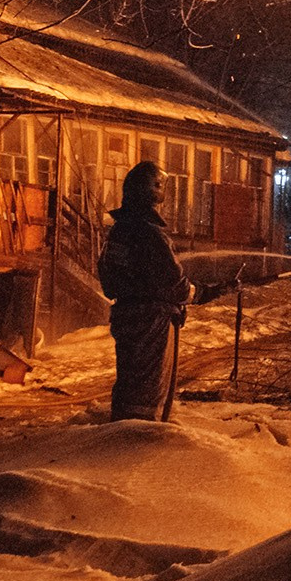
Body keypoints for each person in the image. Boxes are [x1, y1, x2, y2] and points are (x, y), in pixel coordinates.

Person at [98, 160, 192, 421]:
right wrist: (194, 293)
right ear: (155, 189)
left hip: (125, 316)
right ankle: (140, 443)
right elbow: (173, 282)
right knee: (149, 388)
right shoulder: (151, 234)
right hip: (153, 321)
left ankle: (123, 428)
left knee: (129, 383)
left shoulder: (119, 230)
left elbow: (106, 272)